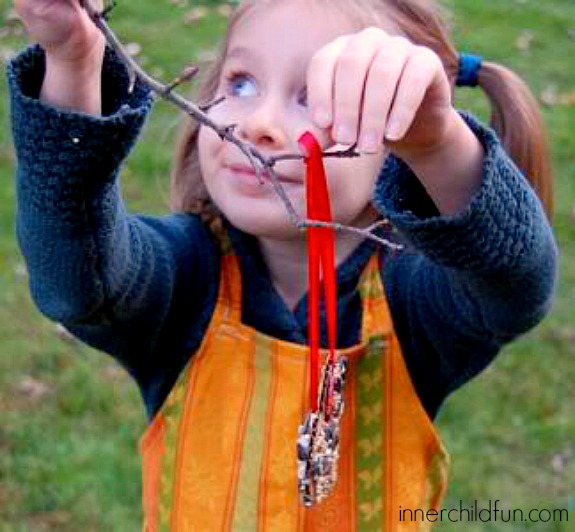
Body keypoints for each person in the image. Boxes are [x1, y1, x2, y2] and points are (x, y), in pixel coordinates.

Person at [8, 0, 557, 529]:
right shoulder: (183, 282)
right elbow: (78, 277)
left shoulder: (414, 306)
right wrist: (73, 59)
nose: (260, 123)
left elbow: (515, 286)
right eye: (240, 83)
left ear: (396, 146)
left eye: (314, 100)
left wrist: (438, 146)